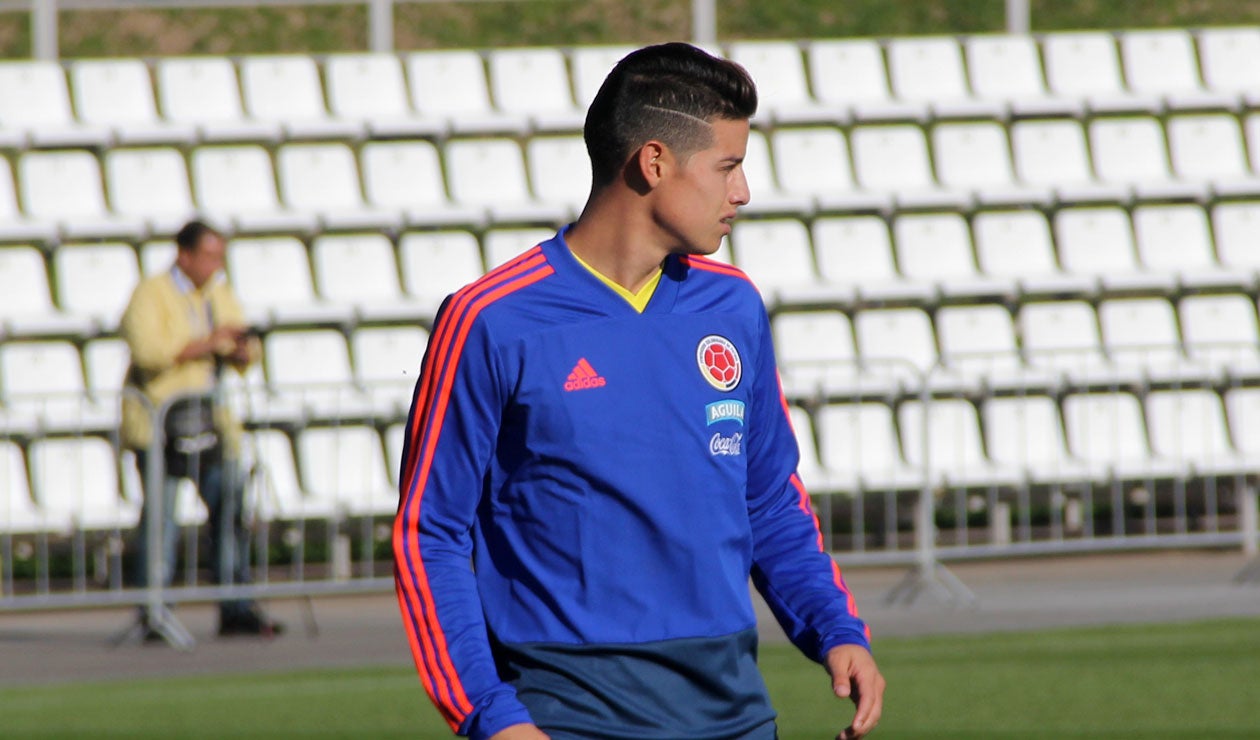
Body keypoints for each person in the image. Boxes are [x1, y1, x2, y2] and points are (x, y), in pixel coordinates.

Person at [394, 42, 883, 739]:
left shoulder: (733, 307)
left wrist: (835, 628)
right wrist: (487, 713)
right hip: (567, 715)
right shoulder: (491, 321)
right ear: (654, 162)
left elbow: (768, 499)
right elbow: (430, 533)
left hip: (733, 712)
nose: (743, 192)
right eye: (728, 167)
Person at [119, 220, 282, 639]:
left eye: (220, 257)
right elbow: (148, 352)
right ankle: (155, 612)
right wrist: (210, 342)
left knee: (231, 511)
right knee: (162, 521)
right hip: (160, 427)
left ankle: (236, 606)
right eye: (209, 256)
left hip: (213, 423)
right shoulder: (150, 293)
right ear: (184, 255)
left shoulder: (219, 293)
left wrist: (241, 349)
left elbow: (245, 349)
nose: (216, 265)